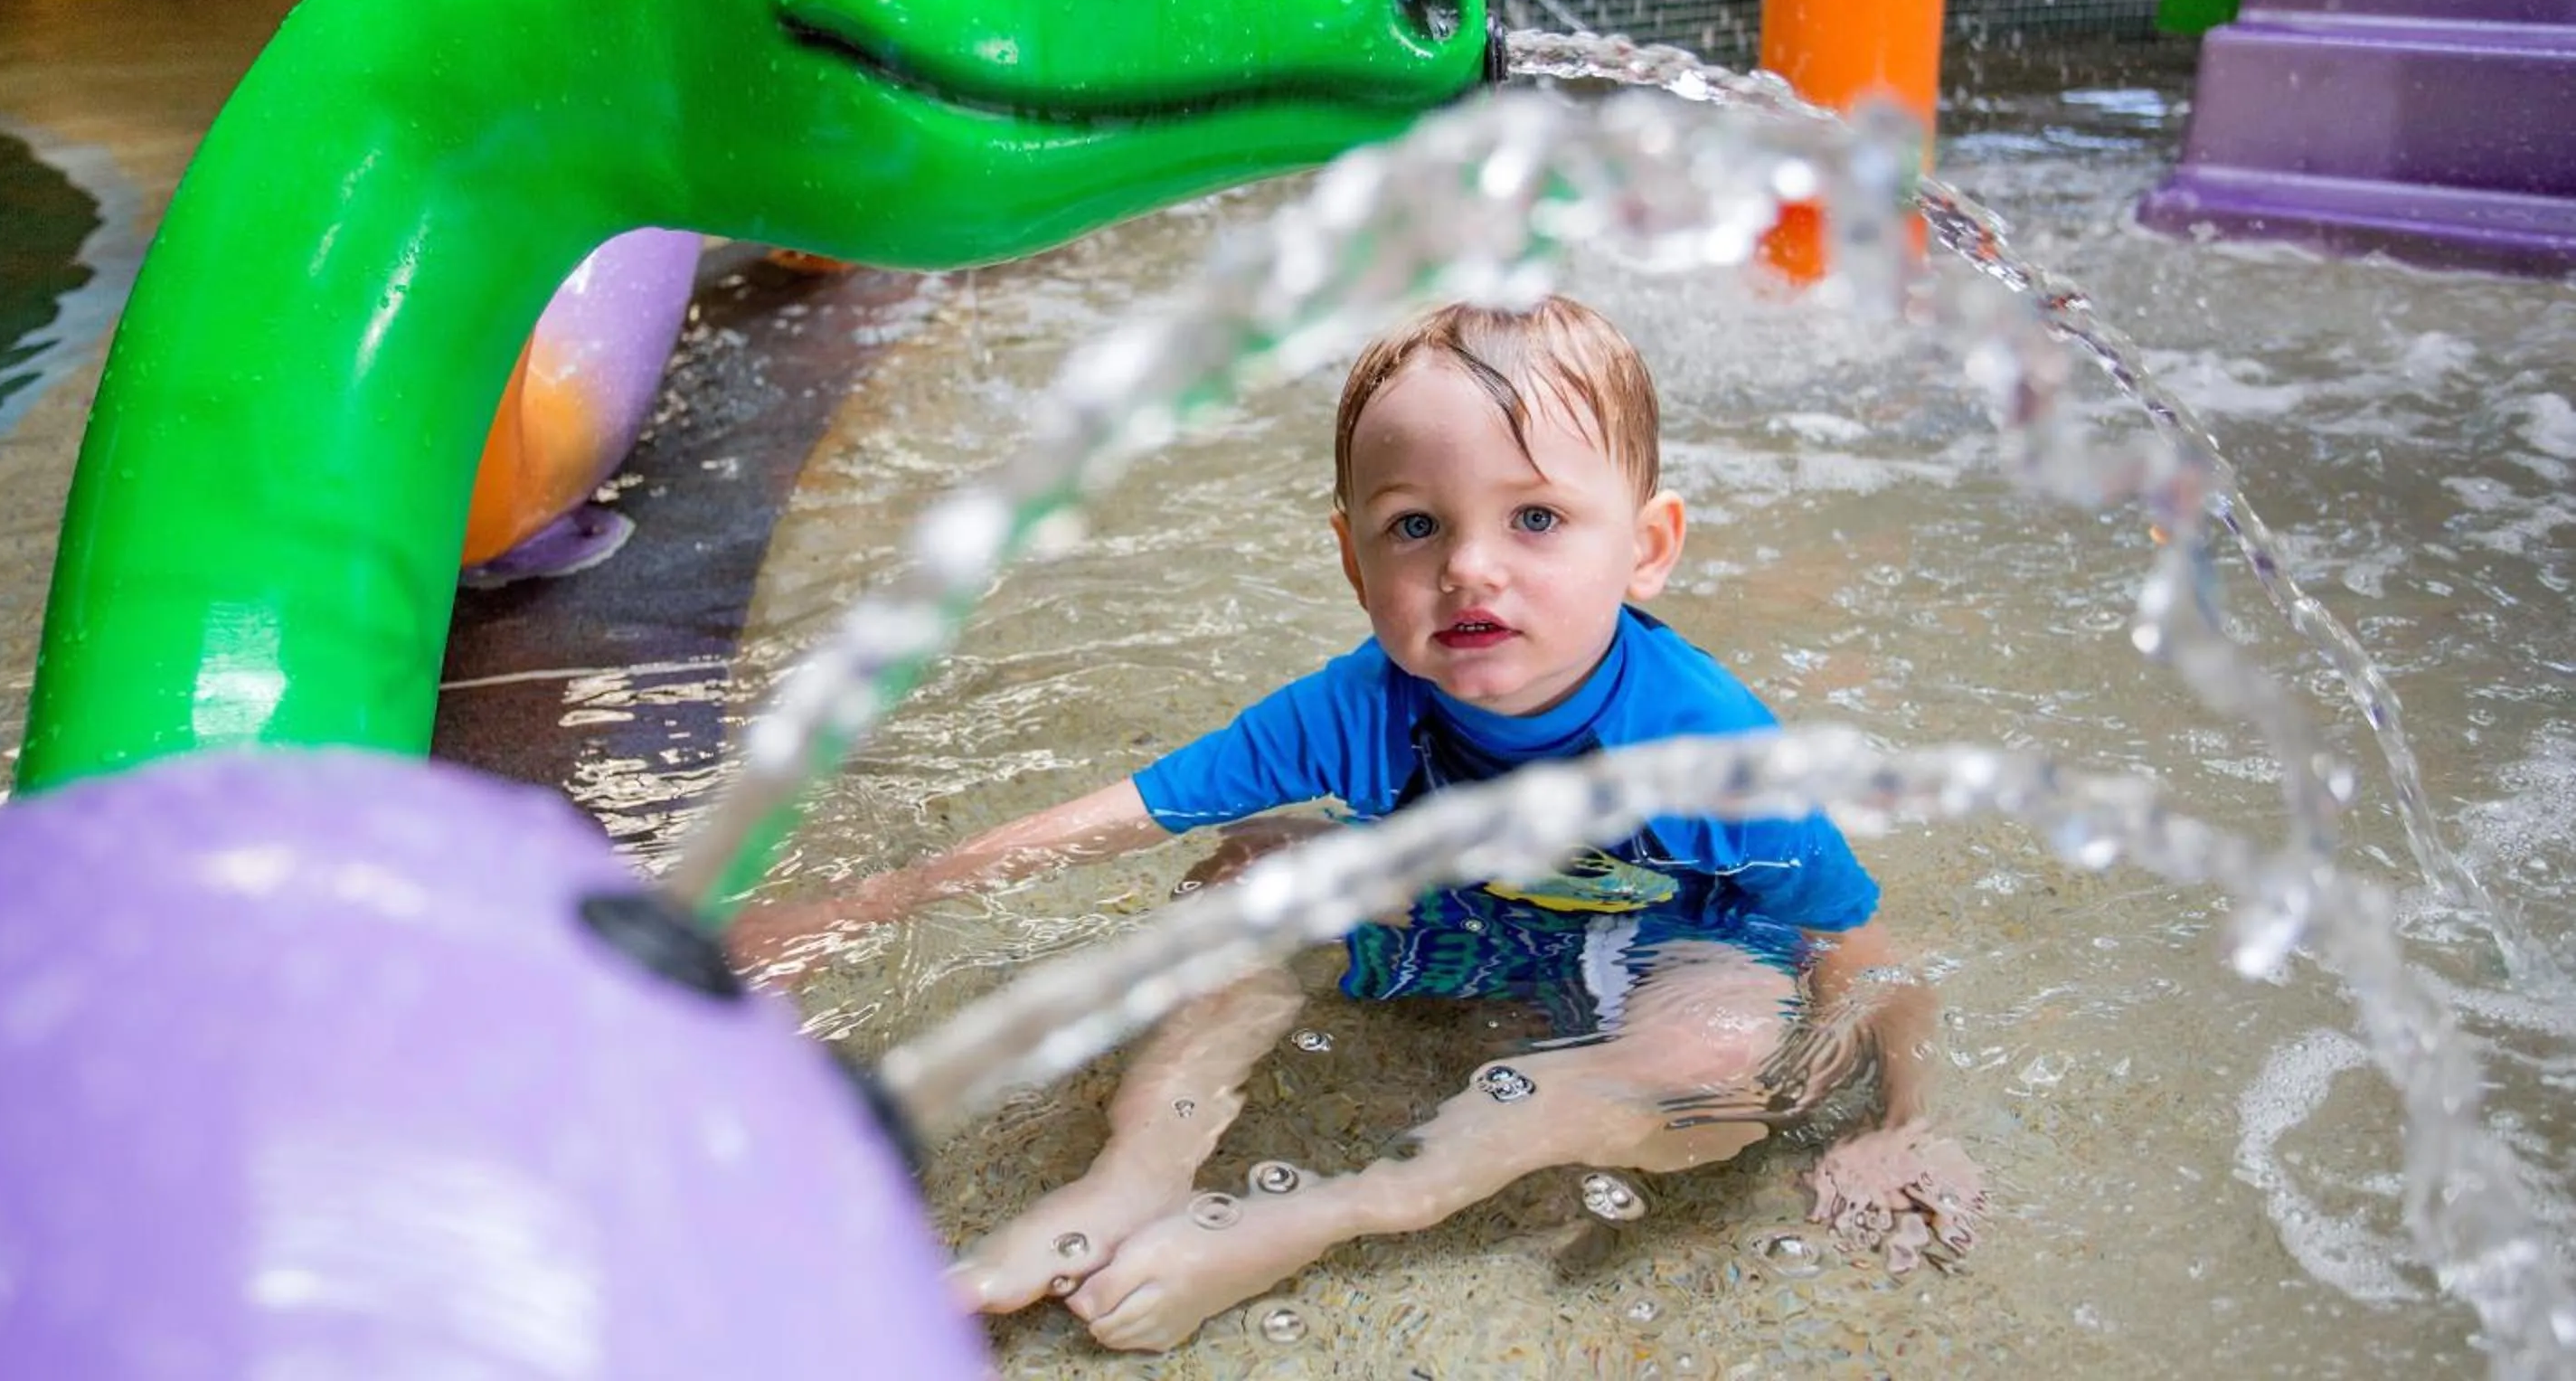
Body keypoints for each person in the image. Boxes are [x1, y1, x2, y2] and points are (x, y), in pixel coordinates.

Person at [731, 295, 1984, 1352]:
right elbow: (1123, 814)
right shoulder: (1363, 703)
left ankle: (1324, 1214)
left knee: (1723, 1062)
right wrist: (857, 912)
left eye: (1536, 518)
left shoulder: (1712, 756)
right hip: (1471, 918)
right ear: (1354, 561)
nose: (1471, 568)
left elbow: (1863, 950)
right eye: (1416, 526)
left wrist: (1904, 1121)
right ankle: (1137, 1171)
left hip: (1669, 945)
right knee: (1249, 873)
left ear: (1647, 549)